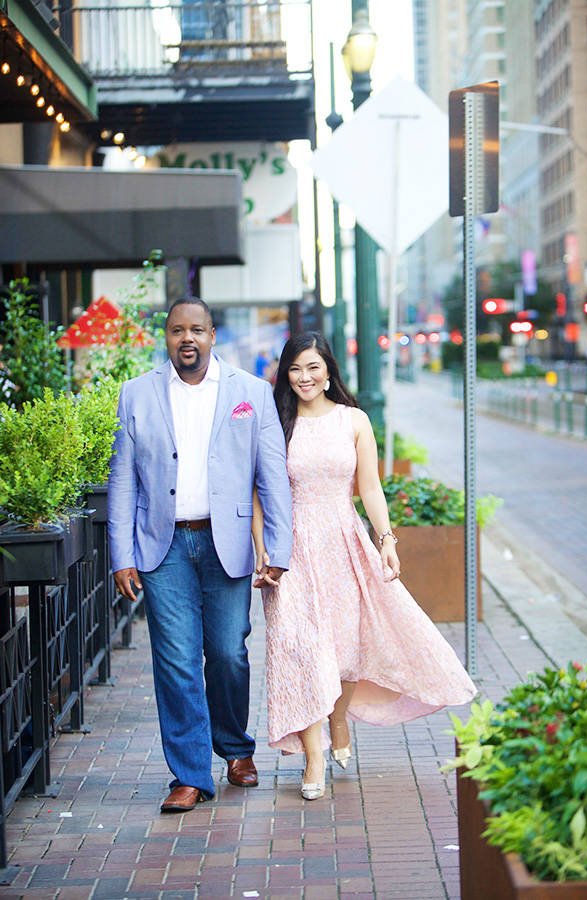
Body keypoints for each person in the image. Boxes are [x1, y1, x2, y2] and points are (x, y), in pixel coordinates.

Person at [253, 332, 477, 801]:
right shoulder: (275, 422)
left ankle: (339, 719)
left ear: (329, 369)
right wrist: (262, 550)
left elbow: (370, 488)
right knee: (300, 649)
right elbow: (259, 491)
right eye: (295, 368)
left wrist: (387, 541)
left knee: (348, 647)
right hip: (291, 550)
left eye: (313, 366)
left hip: (344, 540)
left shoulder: (353, 420)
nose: (304, 377)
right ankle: (313, 756)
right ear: (284, 374)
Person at [108, 297, 292, 813]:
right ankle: (190, 775)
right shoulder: (136, 395)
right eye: (175, 331)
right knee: (176, 660)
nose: (186, 338)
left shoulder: (250, 393)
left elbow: (271, 477)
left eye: (196, 330)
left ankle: (235, 747)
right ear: (165, 337)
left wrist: (277, 548)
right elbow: (122, 481)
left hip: (226, 542)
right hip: (161, 547)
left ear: (213, 334)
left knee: (230, 653)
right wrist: (120, 554)